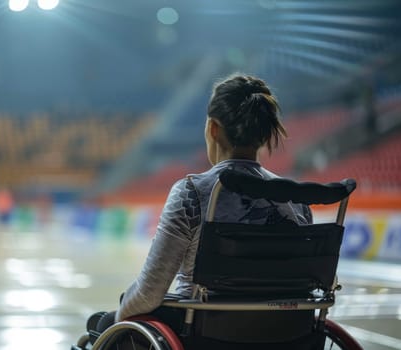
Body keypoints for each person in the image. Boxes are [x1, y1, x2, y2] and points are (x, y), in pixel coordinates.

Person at [88, 73, 313, 337]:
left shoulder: (192, 193)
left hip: (206, 333)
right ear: (263, 135)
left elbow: (149, 293)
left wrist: (117, 317)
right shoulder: (296, 199)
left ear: (213, 129)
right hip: (284, 334)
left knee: (103, 324)